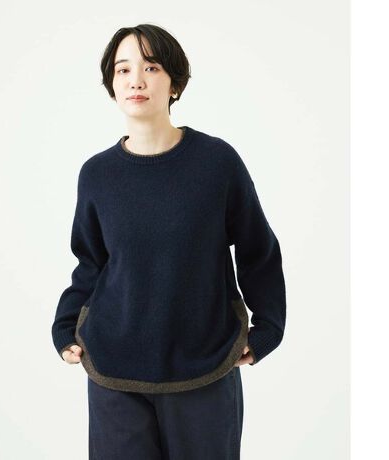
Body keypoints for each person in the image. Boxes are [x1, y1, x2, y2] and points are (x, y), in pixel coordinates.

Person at [51, 23, 286, 460]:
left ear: (175, 83)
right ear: (111, 85)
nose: (136, 80)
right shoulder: (97, 174)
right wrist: (65, 326)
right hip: (113, 369)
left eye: (151, 67)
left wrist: (268, 328)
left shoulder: (217, 162)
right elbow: (91, 263)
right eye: (123, 70)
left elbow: (258, 249)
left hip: (205, 365)